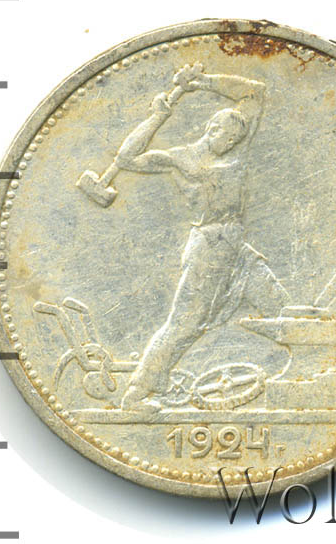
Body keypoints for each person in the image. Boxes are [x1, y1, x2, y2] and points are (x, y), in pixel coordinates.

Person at [112, 63, 290, 412]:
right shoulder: (183, 158)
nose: (231, 142)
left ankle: (311, 376)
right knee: (184, 324)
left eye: (236, 138)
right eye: (226, 135)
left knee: (281, 306)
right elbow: (126, 158)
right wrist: (156, 117)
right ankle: (136, 394)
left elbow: (254, 92)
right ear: (211, 129)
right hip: (208, 250)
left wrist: (203, 82)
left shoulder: (237, 149)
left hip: (237, 248)